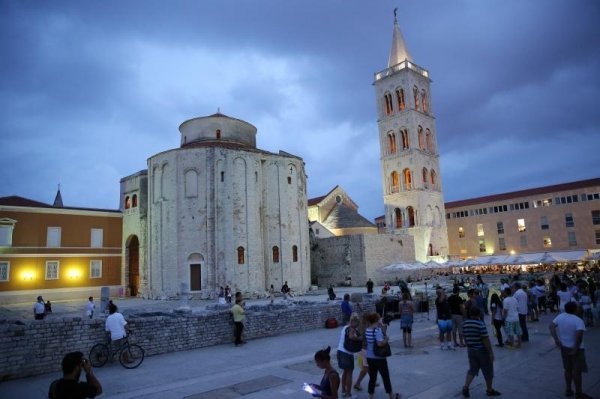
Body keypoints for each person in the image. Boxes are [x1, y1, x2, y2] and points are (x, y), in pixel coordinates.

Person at [549, 301, 592, 399]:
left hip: (564, 347)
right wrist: (575, 349)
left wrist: (556, 340)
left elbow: (551, 326)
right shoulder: (578, 320)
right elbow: (579, 336)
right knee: (577, 372)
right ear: (575, 309)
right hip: (576, 349)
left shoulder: (561, 316)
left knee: (567, 369)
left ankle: (568, 389)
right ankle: (579, 393)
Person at [461, 307, 500, 397]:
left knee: (472, 369)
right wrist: (490, 352)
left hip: (471, 350)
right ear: (479, 315)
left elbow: (464, 336)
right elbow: (485, 339)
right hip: (481, 351)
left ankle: (465, 387)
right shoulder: (480, 324)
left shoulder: (465, 324)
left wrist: (469, 345)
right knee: (488, 370)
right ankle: (489, 390)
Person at [364, 312, 397, 399]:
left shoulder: (367, 329)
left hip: (370, 357)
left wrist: (382, 328)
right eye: (379, 318)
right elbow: (380, 344)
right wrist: (386, 339)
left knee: (372, 378)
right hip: (379, 358)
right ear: (376, 320)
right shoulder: (377, 330)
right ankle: (391, 396)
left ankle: (371, 396)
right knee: (385, 377)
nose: (380, 319)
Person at [337, 313, 361, 397]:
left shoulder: (345, 327)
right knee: (349, 373)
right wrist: (360, 338)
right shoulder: (351, 328)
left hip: (340, 351)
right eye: (357, 322)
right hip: (347, 353)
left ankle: (343, 390)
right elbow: (351, 337)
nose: (358, 324)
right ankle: (348, 393)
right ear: (354, 321)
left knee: (345, 372)